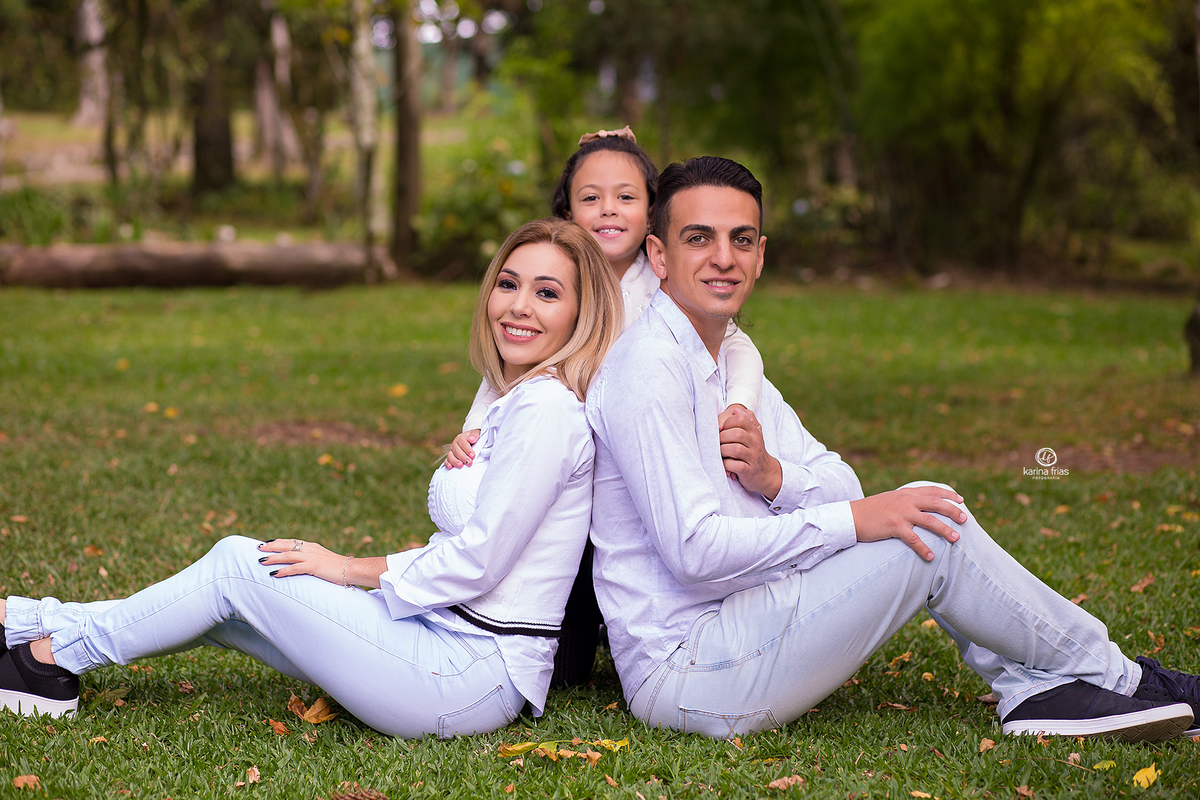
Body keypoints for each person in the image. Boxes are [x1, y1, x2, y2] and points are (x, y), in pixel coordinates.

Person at [585, 155, 1200, 741]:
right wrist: (851, 521)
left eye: (741, 239)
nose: (724, 258)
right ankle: (1121, 680)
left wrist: (777, 478)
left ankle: (1045, 688)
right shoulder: (649, 368)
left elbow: (842, 483)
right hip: (688, 669)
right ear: (658, 254)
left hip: (750, 620)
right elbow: (694, 550)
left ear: (761, 255)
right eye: (699, 238)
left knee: (923, 506)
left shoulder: (725, 362)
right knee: (926, 533)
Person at [0, 218, 624, 738]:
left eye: (547, 293)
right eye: (509, 284)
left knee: (238, 566)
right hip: (433, 637)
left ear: (581, 312)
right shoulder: (507, 395)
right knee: (224, 604)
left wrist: (348, 567)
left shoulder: (547, 410)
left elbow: (482, 562)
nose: (518, 306)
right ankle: (31, 622)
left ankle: (47, 664)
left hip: (467, 674)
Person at [444, 127, 767, 687]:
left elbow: (737, 346)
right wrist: (475, 434)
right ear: (567, 211)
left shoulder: (664, 290)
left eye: (627, 197)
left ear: (653, 218)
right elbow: (505, 374)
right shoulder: (556, 281)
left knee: (646, 571)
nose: (608, 210)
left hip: (633, 489)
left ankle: (646, 635)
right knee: (563, 667)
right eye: (590, 198)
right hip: (563, 494)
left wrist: (738, 408)